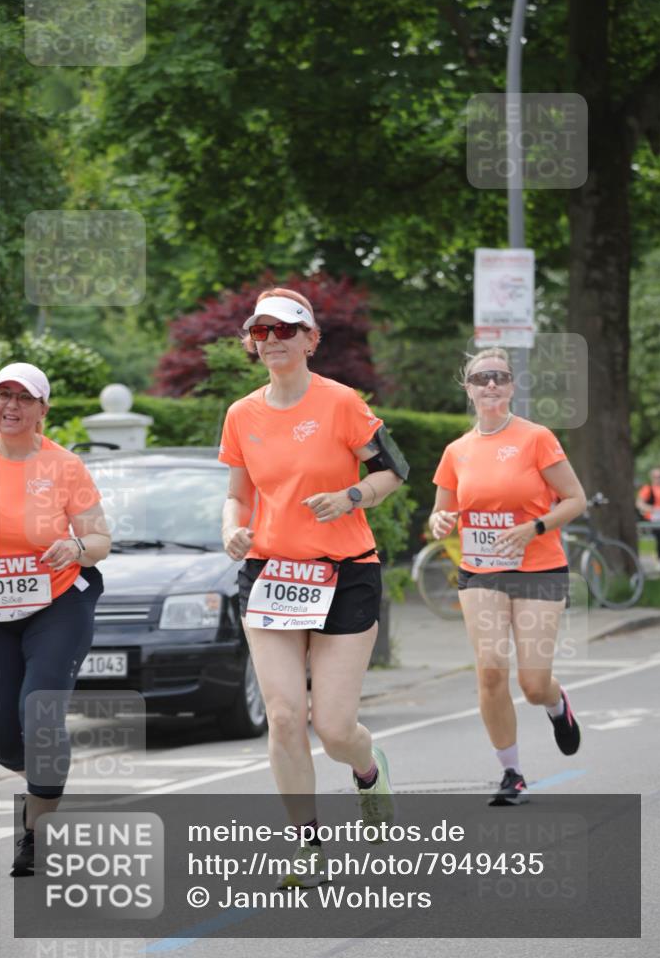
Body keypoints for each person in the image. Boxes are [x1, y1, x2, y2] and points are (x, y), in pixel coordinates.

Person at [219, 288, 408, 884]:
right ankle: (308, 848)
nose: (271, 340)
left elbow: (394, 471)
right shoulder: (241, 414)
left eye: (284, 330)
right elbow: (236, 493)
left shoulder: (342, 403)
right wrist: (232, 529)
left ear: (310, 340)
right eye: (261, 331)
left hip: (344, 571)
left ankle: (367, 770)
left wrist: (351, 495)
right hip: (272, 575)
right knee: (282, 715)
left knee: (332, 727)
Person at [430, 347, 587, 805]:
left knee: (532, 685)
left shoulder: (537, 438)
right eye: (482, 379)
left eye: (499, 377)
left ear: (513, 386)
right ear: (469, 389)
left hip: (538, 568)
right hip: (481, 573)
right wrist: (440, 523)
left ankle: (558, 706)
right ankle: (511, 772)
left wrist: (533, 528)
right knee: (492, 673)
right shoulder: (456, 450)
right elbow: (442, 513)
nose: (491, 385)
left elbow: (574, 499)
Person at [0, 362, 111, 874]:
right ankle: (45, 783)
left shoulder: (64, 466)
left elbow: (101, 541)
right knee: (1, 731)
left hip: (58, 602)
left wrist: (76, 545)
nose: (11, 406)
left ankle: (37, 833)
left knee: (39, 712)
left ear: (43, 410)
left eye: (24, 398)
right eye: (3, 395)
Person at [636, 467, 660, 568]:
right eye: (656, 477)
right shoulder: (647, 489)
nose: (658, 479)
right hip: (652, 519)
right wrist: (652, 509)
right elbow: (639, 504)